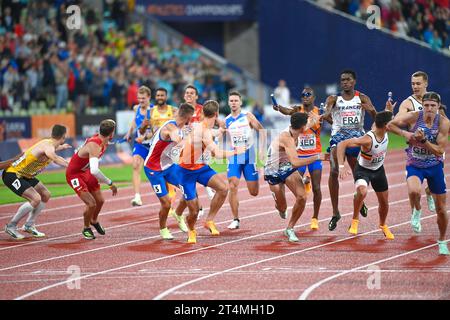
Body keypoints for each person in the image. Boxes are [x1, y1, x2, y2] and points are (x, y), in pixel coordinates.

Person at [387, 92, 449, 255]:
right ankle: (417, 210)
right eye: (426, 105)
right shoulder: (415, 116)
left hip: (435, 166)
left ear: (438, 106)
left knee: (441, 209)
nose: (429, 109)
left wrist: (423, 141)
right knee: (414, 191)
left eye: (432, 106)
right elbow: (390, 125)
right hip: (415, 164)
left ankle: (442, 240)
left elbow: (439, 150)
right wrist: (405, 134)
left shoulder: (443, 123)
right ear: (422, 106)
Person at [178, 100, 246, 243]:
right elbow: (217, 153)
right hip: (185, 172)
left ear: (203, 113)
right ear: (217, 114)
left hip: (200, 167)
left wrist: (219, 131)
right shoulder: (203, 131)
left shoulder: (203, 127)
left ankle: (209, 220)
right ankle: (191, 229)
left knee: (223, 188)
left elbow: (210, 134)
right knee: (194, 211)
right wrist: (235, 151)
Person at [321, 70, 377, 231]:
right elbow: (327, 111)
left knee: (357, 172)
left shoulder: (362, 98)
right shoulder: (334, 99)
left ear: (354, 81)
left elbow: (376, 117)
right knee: (333, 170)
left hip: (356, 139)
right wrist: (326, 114)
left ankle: (360, 200)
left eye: (348, 80)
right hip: (338, 139)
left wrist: (371, 110)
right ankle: (335, 212)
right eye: (342, 80)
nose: (345, 82)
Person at [264, 112, 329, 242]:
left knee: (302, 196)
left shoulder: (299, 128)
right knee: (282, 209)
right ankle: (278, 202)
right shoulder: (286, 138)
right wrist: (317, 156)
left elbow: (312, 121)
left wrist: (320, 116)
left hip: (287, 167)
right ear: (302, 128)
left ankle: (290, 228)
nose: (308, 126)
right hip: (273, 170)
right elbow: (296, 163)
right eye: (307, 125)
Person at [3, 125, 70, 239]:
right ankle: (11, 226)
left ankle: (29, 225)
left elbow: (50, 150)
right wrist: (71, 166)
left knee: (45, 194)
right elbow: (55, 158)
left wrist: (61, 147)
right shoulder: (48, 147)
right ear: (63, 137)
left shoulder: (49, 144)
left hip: (26, 175)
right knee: (36, 198)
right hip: (13, 174)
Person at [337, 111, 395, 239]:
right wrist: (342, 165)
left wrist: (389, 109)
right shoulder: (368, 139)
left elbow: (382, 117)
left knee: (384, 202)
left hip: (379, 170)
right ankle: (355, 220)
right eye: (392, 122)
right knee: (362, 192)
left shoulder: (382, 129)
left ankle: (383, 225)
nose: (395, 123)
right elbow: (342, 144)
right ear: (386, 125)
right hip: (363, 170)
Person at [273, 87, 323, 230]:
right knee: (290, 183)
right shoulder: (297, 110)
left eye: (308, 94)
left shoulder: (319, 113)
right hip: (299, 155)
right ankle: (304, 182)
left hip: (314, 155)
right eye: (303, 95)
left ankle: (315, 218)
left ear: (313, 97)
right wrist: (278, 107)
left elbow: (333, 121)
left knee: (317, 188)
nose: (306, 97)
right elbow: (286, 111)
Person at [143, 103, 195, 240]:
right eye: (192, 117)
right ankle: (163, 228)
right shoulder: (170, 128)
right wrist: (185, 140)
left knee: (190, 189)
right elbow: (176, 138)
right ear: (188, 117)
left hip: (170, 166)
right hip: (153, 168)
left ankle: (178, 214)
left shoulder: (183, 127)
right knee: (166, 203)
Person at [66, 119, 118, 240]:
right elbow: (95, 170)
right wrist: (110, 183)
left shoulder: (103, 140)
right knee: (91, 204)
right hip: (75, 174)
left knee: (100, 201)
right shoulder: (95, 145)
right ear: (112, 133)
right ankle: (86, 227)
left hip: (85, 171)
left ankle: (94, 220)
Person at [394, 71, 436, 212]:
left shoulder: (433, 100)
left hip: (433, 149)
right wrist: (392, 115)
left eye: (418, 83)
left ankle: (429, 192)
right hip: (416, 150)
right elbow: (398, 119)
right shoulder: (408, 103)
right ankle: (415, 211)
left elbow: (442, 119)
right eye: (413, 84)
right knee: (414, 190)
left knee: (435, 184)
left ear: (426, 84)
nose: (415, 86)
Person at [225, 91, 266, 230]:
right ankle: (235, 219)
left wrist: (261, 150)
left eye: (236, 100)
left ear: (241, 102)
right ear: (228, 103)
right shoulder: (226, 120)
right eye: (231, 101)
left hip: (249, 154)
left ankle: (254, 176)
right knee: (232, 185)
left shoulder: (247, 116)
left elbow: (262, 131)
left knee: (254, 192)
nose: (234, 103)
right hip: (235, 155)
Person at [150, 87, 181, 224]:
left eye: (162, 95)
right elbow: (150, 127)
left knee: (186, 185)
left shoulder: (173, 110)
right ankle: (164, 224)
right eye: (158, 95)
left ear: (166, 96)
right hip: (156, 146)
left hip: (169, 152)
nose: (160, 97)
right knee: (166, 201)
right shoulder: (152, 111)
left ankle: (180, 211)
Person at [124, 86, 153, 207]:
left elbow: (156, 130)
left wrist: (146, 137)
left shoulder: (154, 111)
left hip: (152, 145)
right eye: (139, 98)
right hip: (140, 144)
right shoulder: (136, 108)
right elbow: (134, 121)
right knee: (135, 165)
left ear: (149, 97)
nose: (141, 100)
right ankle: (137, 197)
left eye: (143, 98)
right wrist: (129, 132)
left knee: (157, 172)